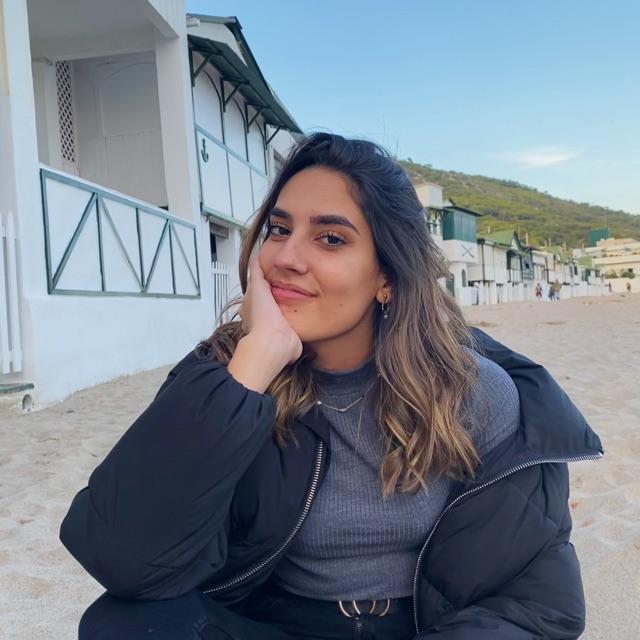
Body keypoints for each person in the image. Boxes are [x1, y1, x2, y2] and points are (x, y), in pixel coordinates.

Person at [60, 134, 603, 640]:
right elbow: (126, 560)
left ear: (387, 275)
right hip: (274, 622)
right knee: (121, 624)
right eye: (278, 230)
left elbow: (533, 602)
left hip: (424, 628)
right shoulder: (226, 374)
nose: (286, 258)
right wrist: (251, 370)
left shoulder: (473, 390)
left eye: (330, 238)